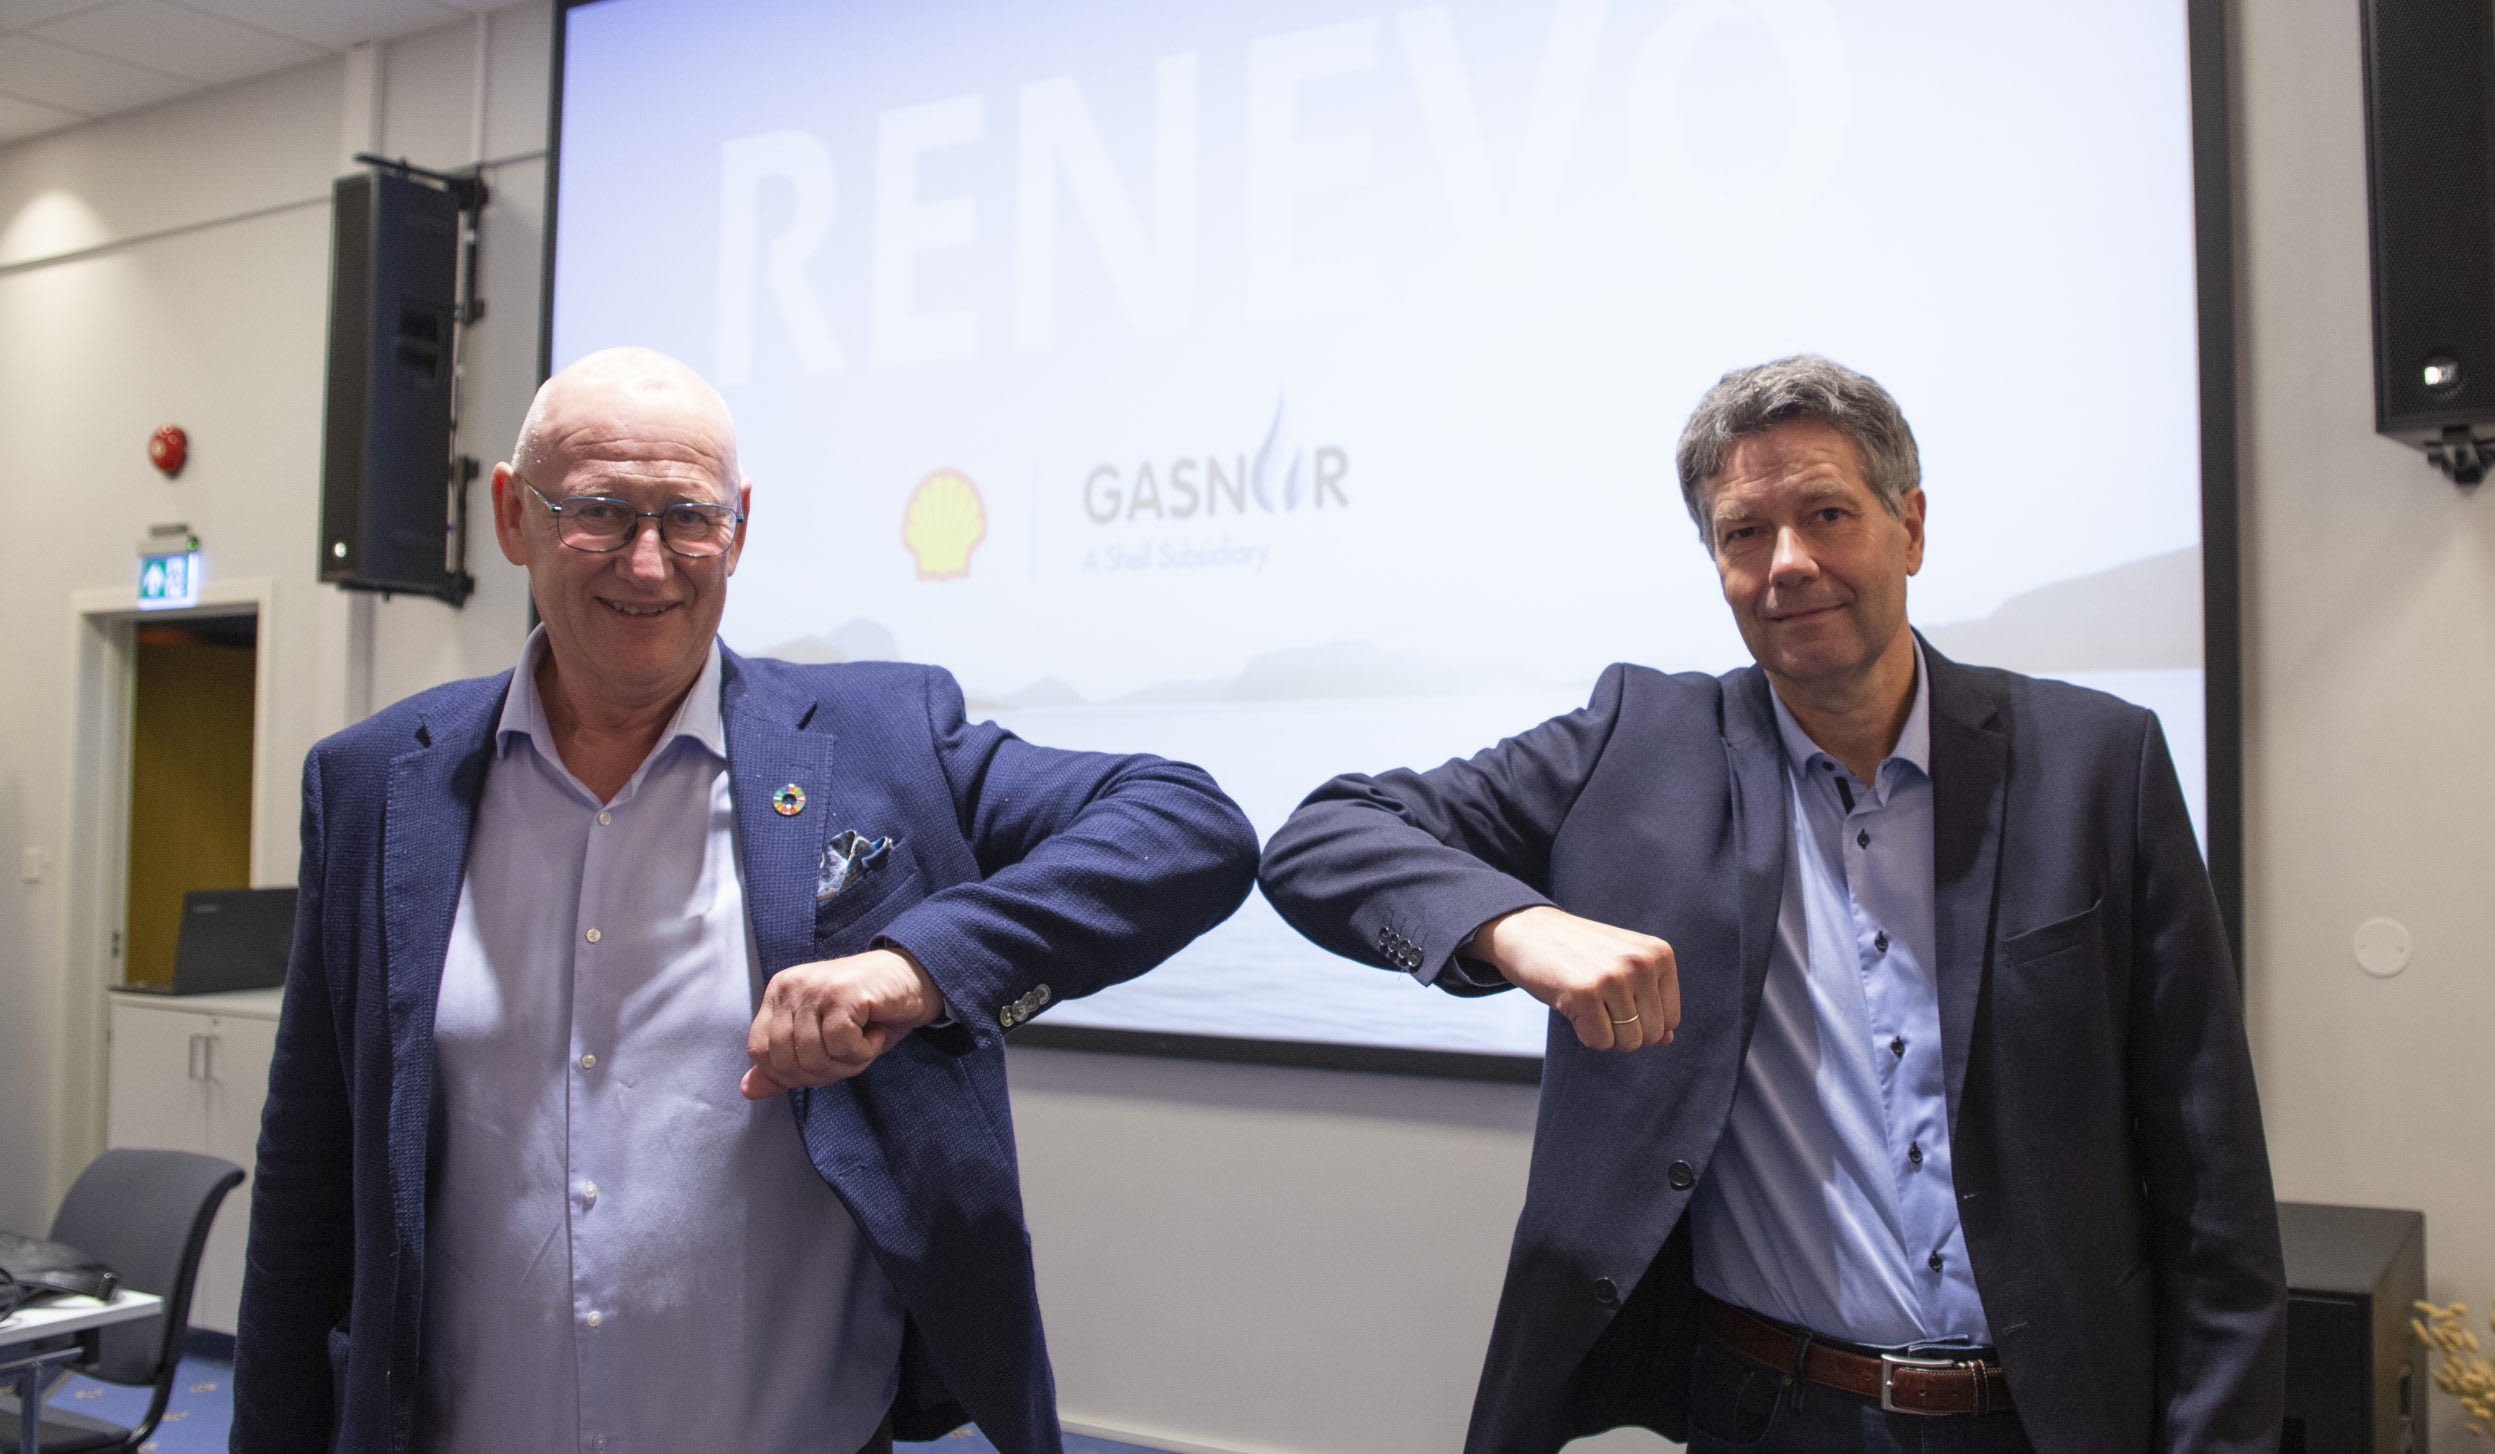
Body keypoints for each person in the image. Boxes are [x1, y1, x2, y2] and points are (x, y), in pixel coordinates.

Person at [232, 348, 1260, 1454]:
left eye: (688, 518)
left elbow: (1187, 827)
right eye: (599, 511)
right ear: (513, 515)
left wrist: (915, 966)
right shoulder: (378, 785)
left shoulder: (881, 741)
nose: (648, 561)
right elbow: (308, 1181)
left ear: (738, 528)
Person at [1258, 355, 2284, 1453]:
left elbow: (2210, 1176)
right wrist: (1513, 927)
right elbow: (1321, 839)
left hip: (2052, 1417)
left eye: (1827, 514)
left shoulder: (2096, 762)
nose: (1787, 563)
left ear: (1910, 527)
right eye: (1744, 532)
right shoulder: (1636, 745)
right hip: (1769, 1410)